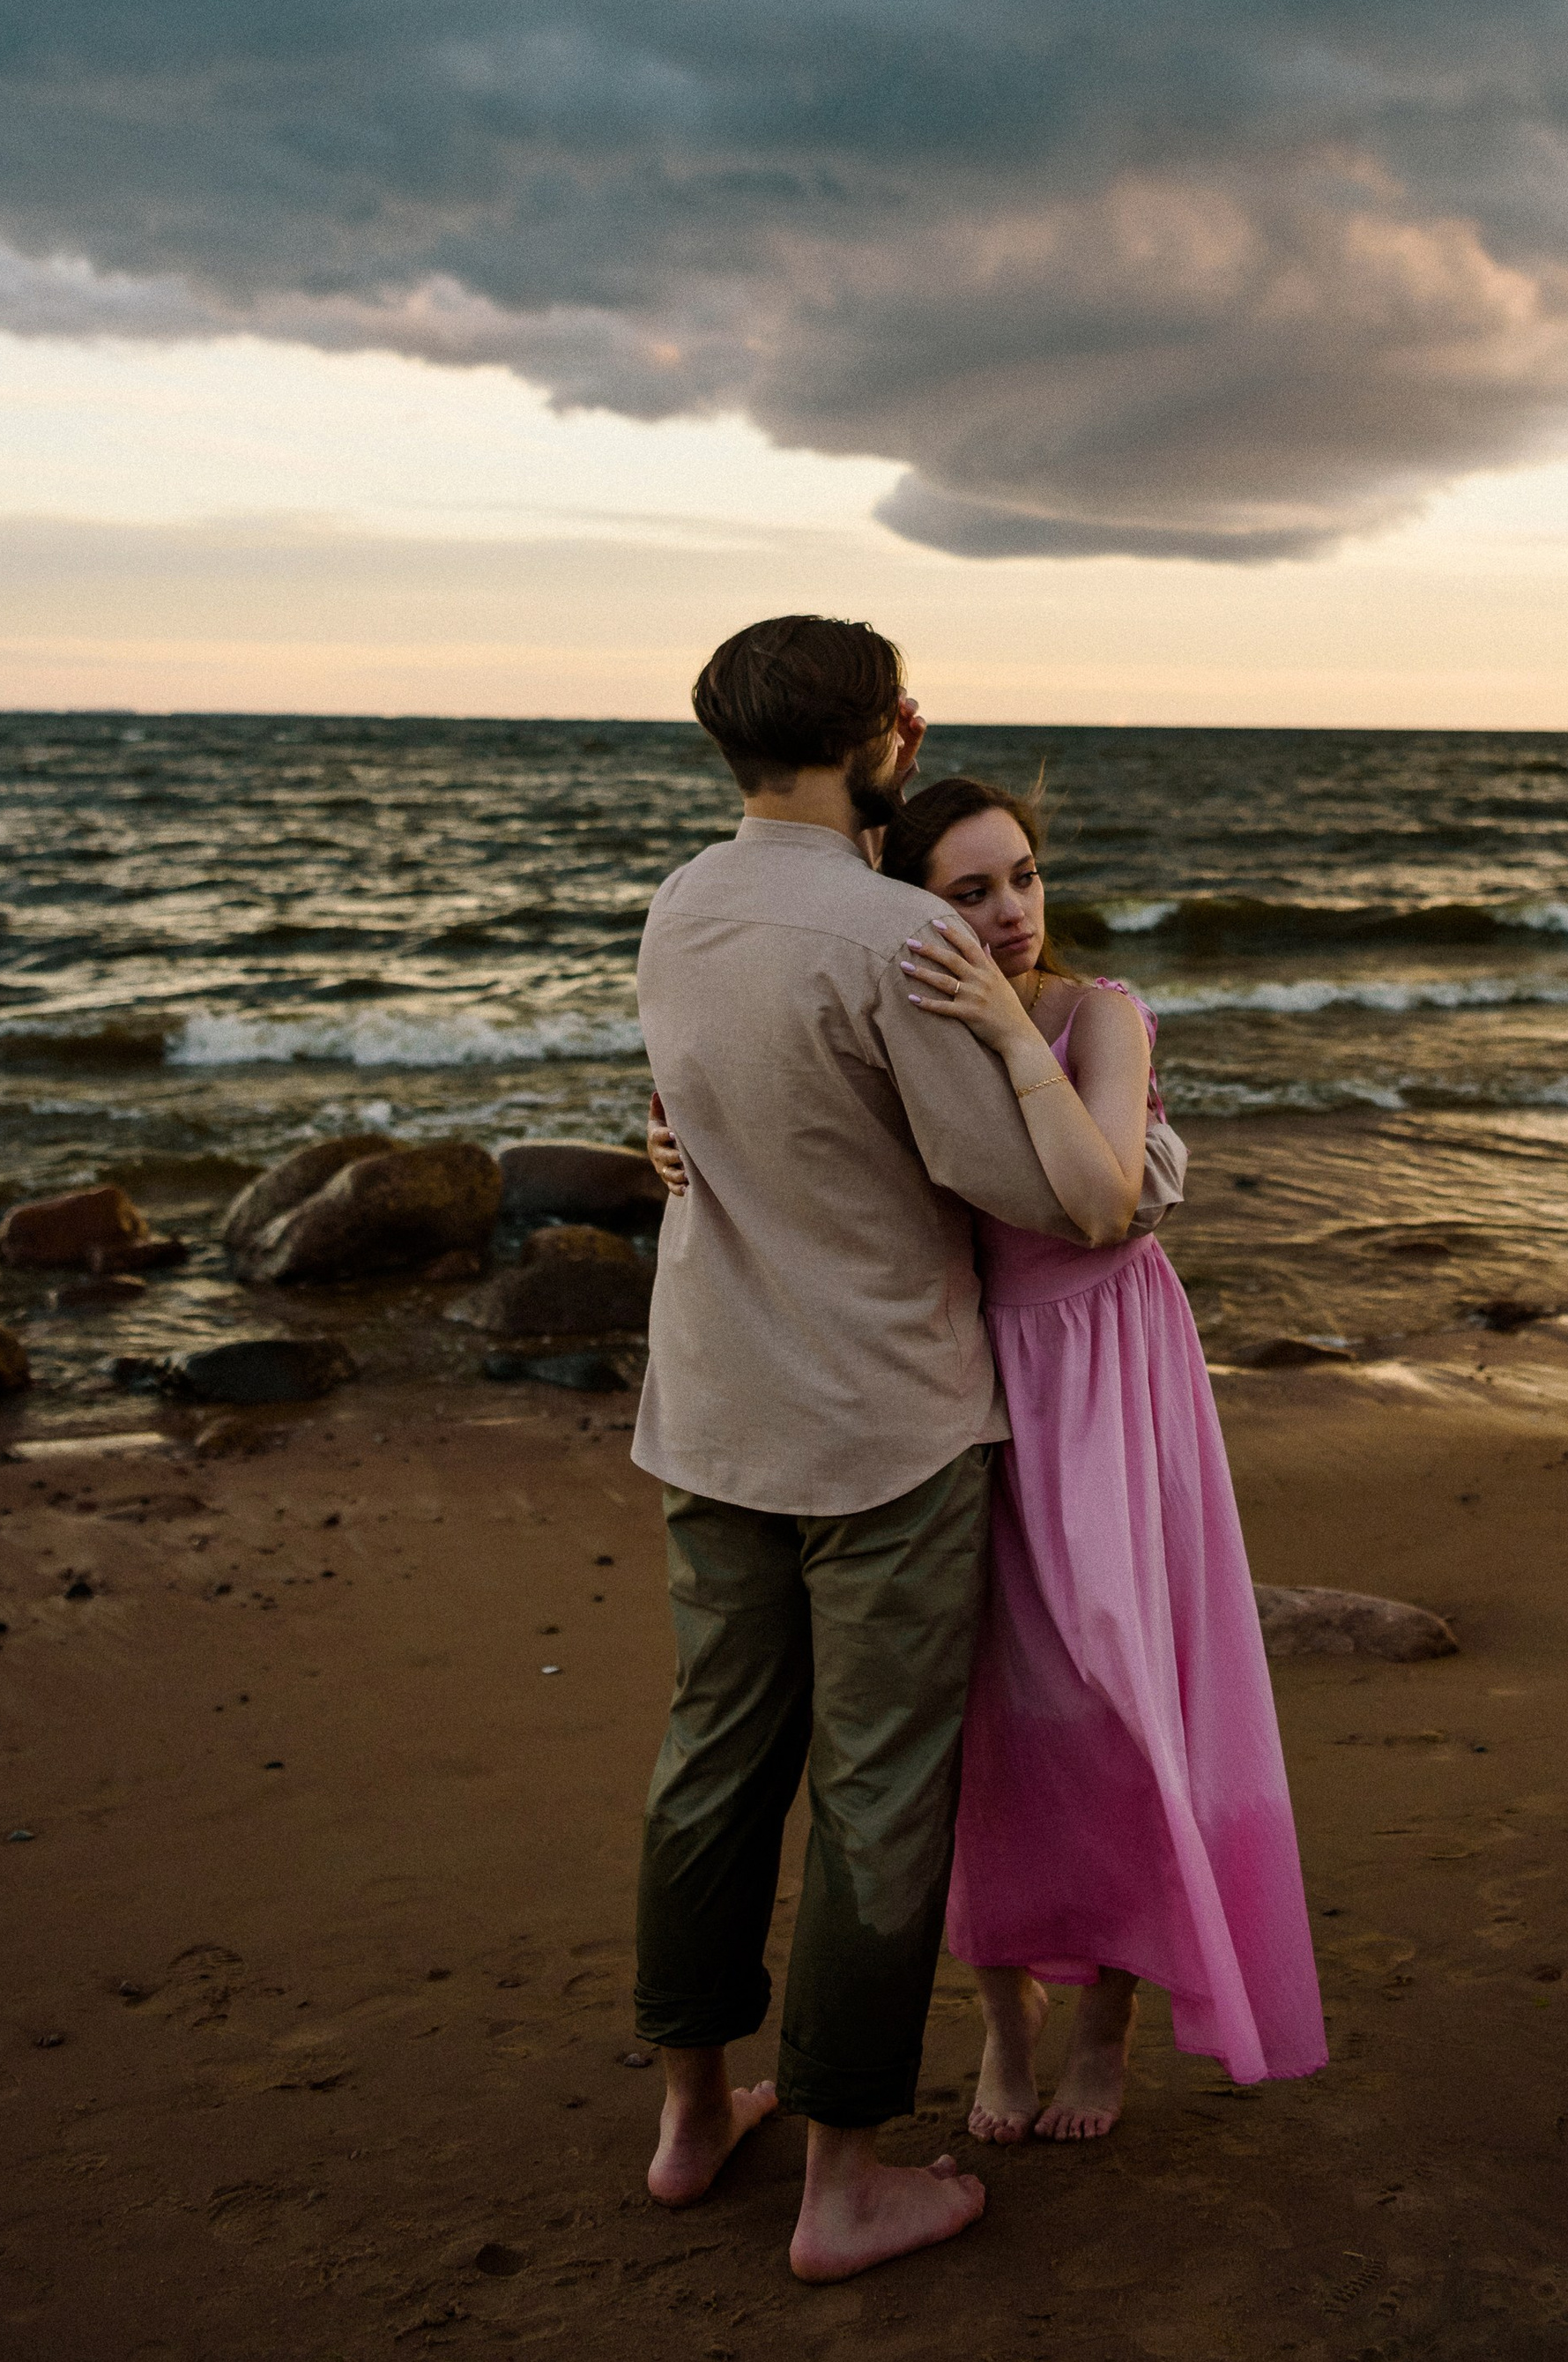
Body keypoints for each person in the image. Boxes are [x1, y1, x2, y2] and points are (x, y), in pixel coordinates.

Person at [629, 615, 1115, 2284]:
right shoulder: (899, 929)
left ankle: (693, 2116)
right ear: (891, 732)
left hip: (712, 1407)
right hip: (884, 1427)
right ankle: (843, 2179)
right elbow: (1035, 1188)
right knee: (878, 1797)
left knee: (713, 1765)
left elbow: (706, 1118)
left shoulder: (682, 905)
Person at [884, 776, 1326, 2140]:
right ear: (912, 907)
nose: (1011, 910)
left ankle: (1110, 2018)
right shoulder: (905, 1026)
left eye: (1021, 876)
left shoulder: (1102, 1014)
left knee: (1129, 1699)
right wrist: (673, 1147)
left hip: (1117, 1378)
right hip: (979, 1383)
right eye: (970, 891)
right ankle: (1001, 2020)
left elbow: (1106, 1202)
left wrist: (1020, 1046)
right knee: (996, 1727)